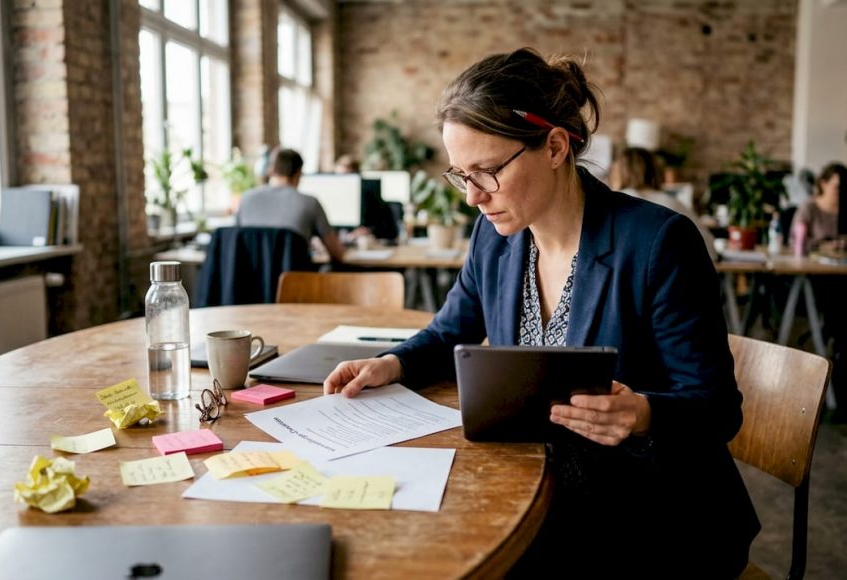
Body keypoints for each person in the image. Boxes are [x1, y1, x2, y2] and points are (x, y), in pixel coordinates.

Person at [323, 47, 759, 577]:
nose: (473, 198)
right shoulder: (495, 237)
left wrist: (641, 414)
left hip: (651, 510)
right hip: (540, 485)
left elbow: (717, 409)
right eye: (461, 175)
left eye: (486, 172)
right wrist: (391, 364)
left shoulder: (657, 243)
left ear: (554, 146)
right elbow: (449, 331)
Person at [789, 162, 847, 423]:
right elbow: (796, 241)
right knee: (836, 306)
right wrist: (825, 243)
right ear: (823, 183)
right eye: (836, 186)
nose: (839, 191)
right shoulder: (809, 208)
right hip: (817, 275)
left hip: (841, 272)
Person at [236, 147, 344, 262]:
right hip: (292, 279)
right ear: (299, 174)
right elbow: (337, 254)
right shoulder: (310, 203)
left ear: (271, 170)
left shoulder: (246, 198)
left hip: (250, 278)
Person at [610, 146, 717, 260]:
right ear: (655, 171)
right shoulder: (672, 203)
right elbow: (709, 249)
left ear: (618, 172)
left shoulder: (611, 205)